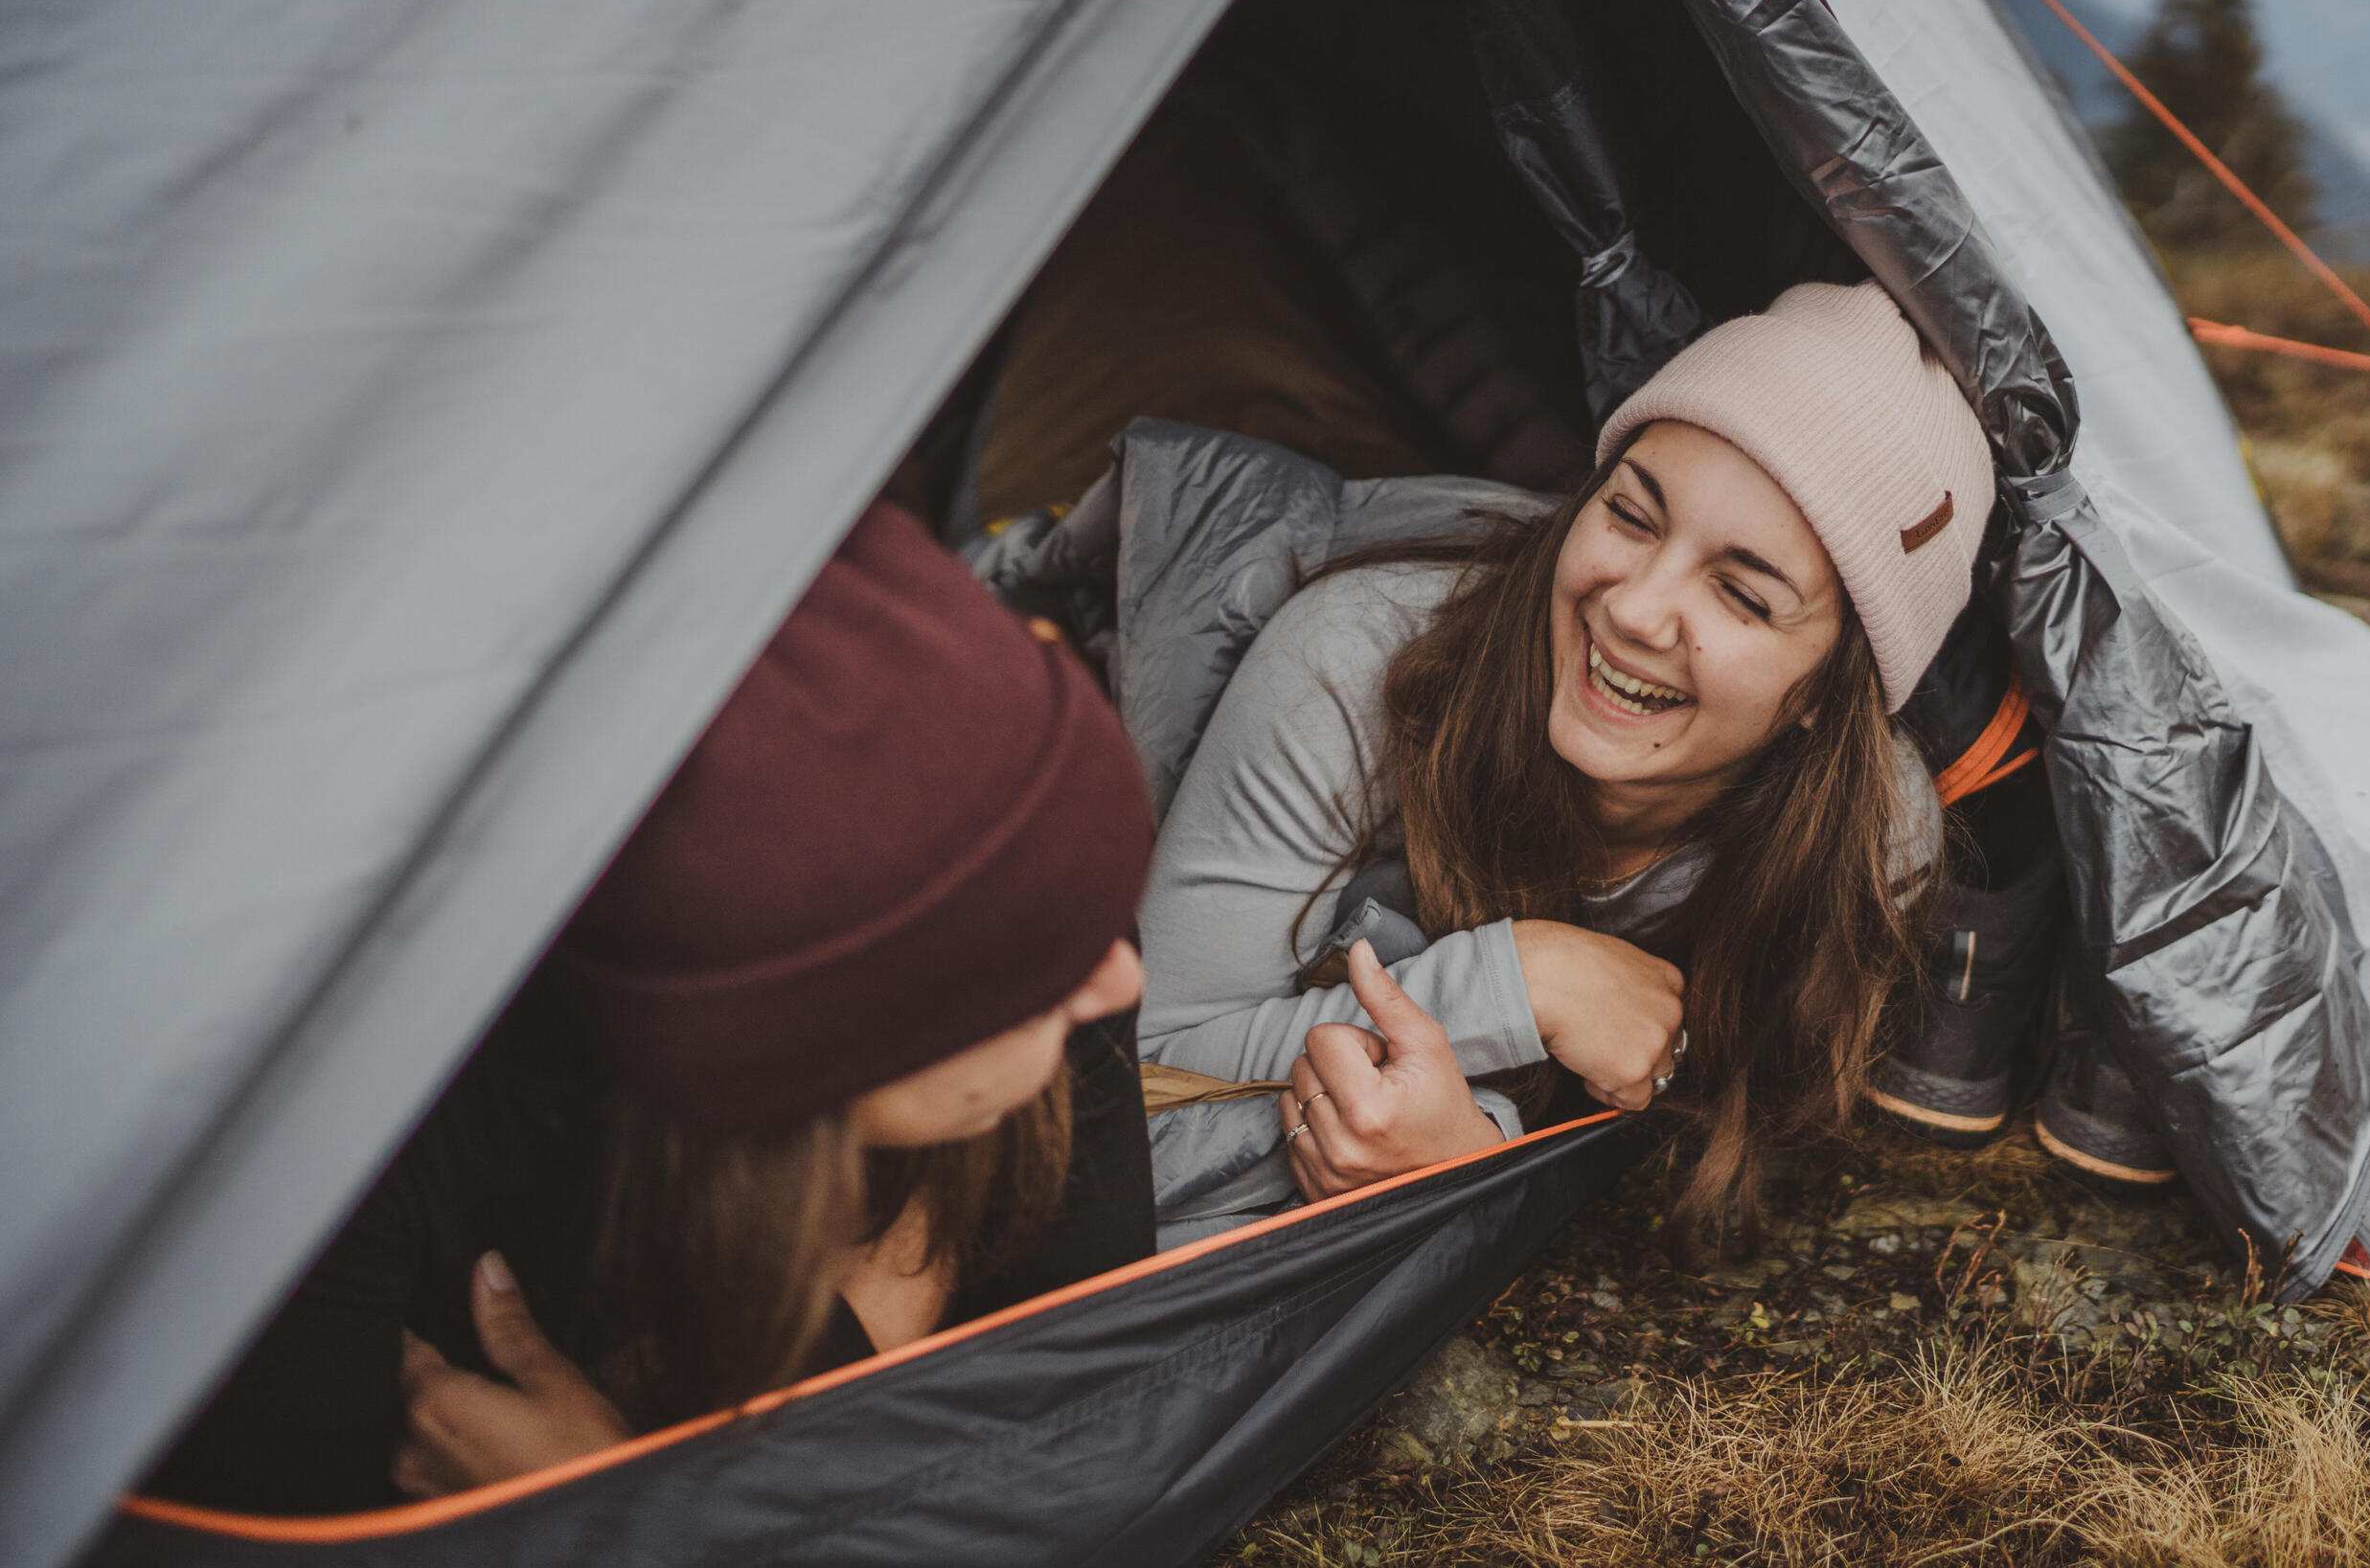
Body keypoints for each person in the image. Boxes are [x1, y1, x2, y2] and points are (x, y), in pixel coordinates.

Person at [142, 502, 1156, 1513]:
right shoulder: (333, 1179)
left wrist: (624, 1522)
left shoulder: (1056, 936)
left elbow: (1091, 1451)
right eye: (1030, 975)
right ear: (806, 1049)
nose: (1118, 981)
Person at [1137, 281, 1997, 1248]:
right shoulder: (1349, 665)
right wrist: (1521, 986)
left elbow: (1729, 1144)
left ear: (1824, 696)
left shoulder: (1872, 834)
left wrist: (1463, 1155)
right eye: (1631, 514)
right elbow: (1138, 1096)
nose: (1632, 608)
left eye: (1743, 596)